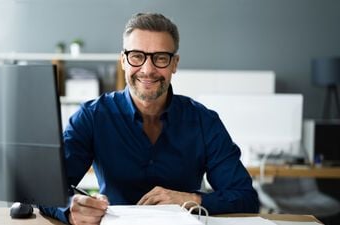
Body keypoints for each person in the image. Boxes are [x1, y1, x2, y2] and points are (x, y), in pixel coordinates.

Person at [39, 12, 259, 225]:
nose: (147, 69)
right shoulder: (92, 116)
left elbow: (245, 198)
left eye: (160, 58)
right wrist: (71, 210)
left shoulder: (204, 121)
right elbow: (45, 189)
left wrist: (190, 199)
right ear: (123, 61)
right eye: (137, 56)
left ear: (175, 64)